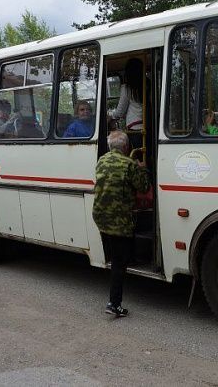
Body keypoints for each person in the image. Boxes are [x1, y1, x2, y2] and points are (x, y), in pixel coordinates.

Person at [92, 130, 150, 317]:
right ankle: (114, 304)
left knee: (117, 257)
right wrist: (142, 168)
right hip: (119, 220)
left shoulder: (101, 160)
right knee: (118, 263)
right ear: (126, 147)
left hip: (100, 217)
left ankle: (128, 258)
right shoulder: (129, 164)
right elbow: (144, 187)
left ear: (110, 146)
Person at [108, 58, 147, 148]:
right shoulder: (148, 84)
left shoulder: (127, 88)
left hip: (135, 129)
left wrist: (110, 116)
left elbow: (120, 111)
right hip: (148, 126)